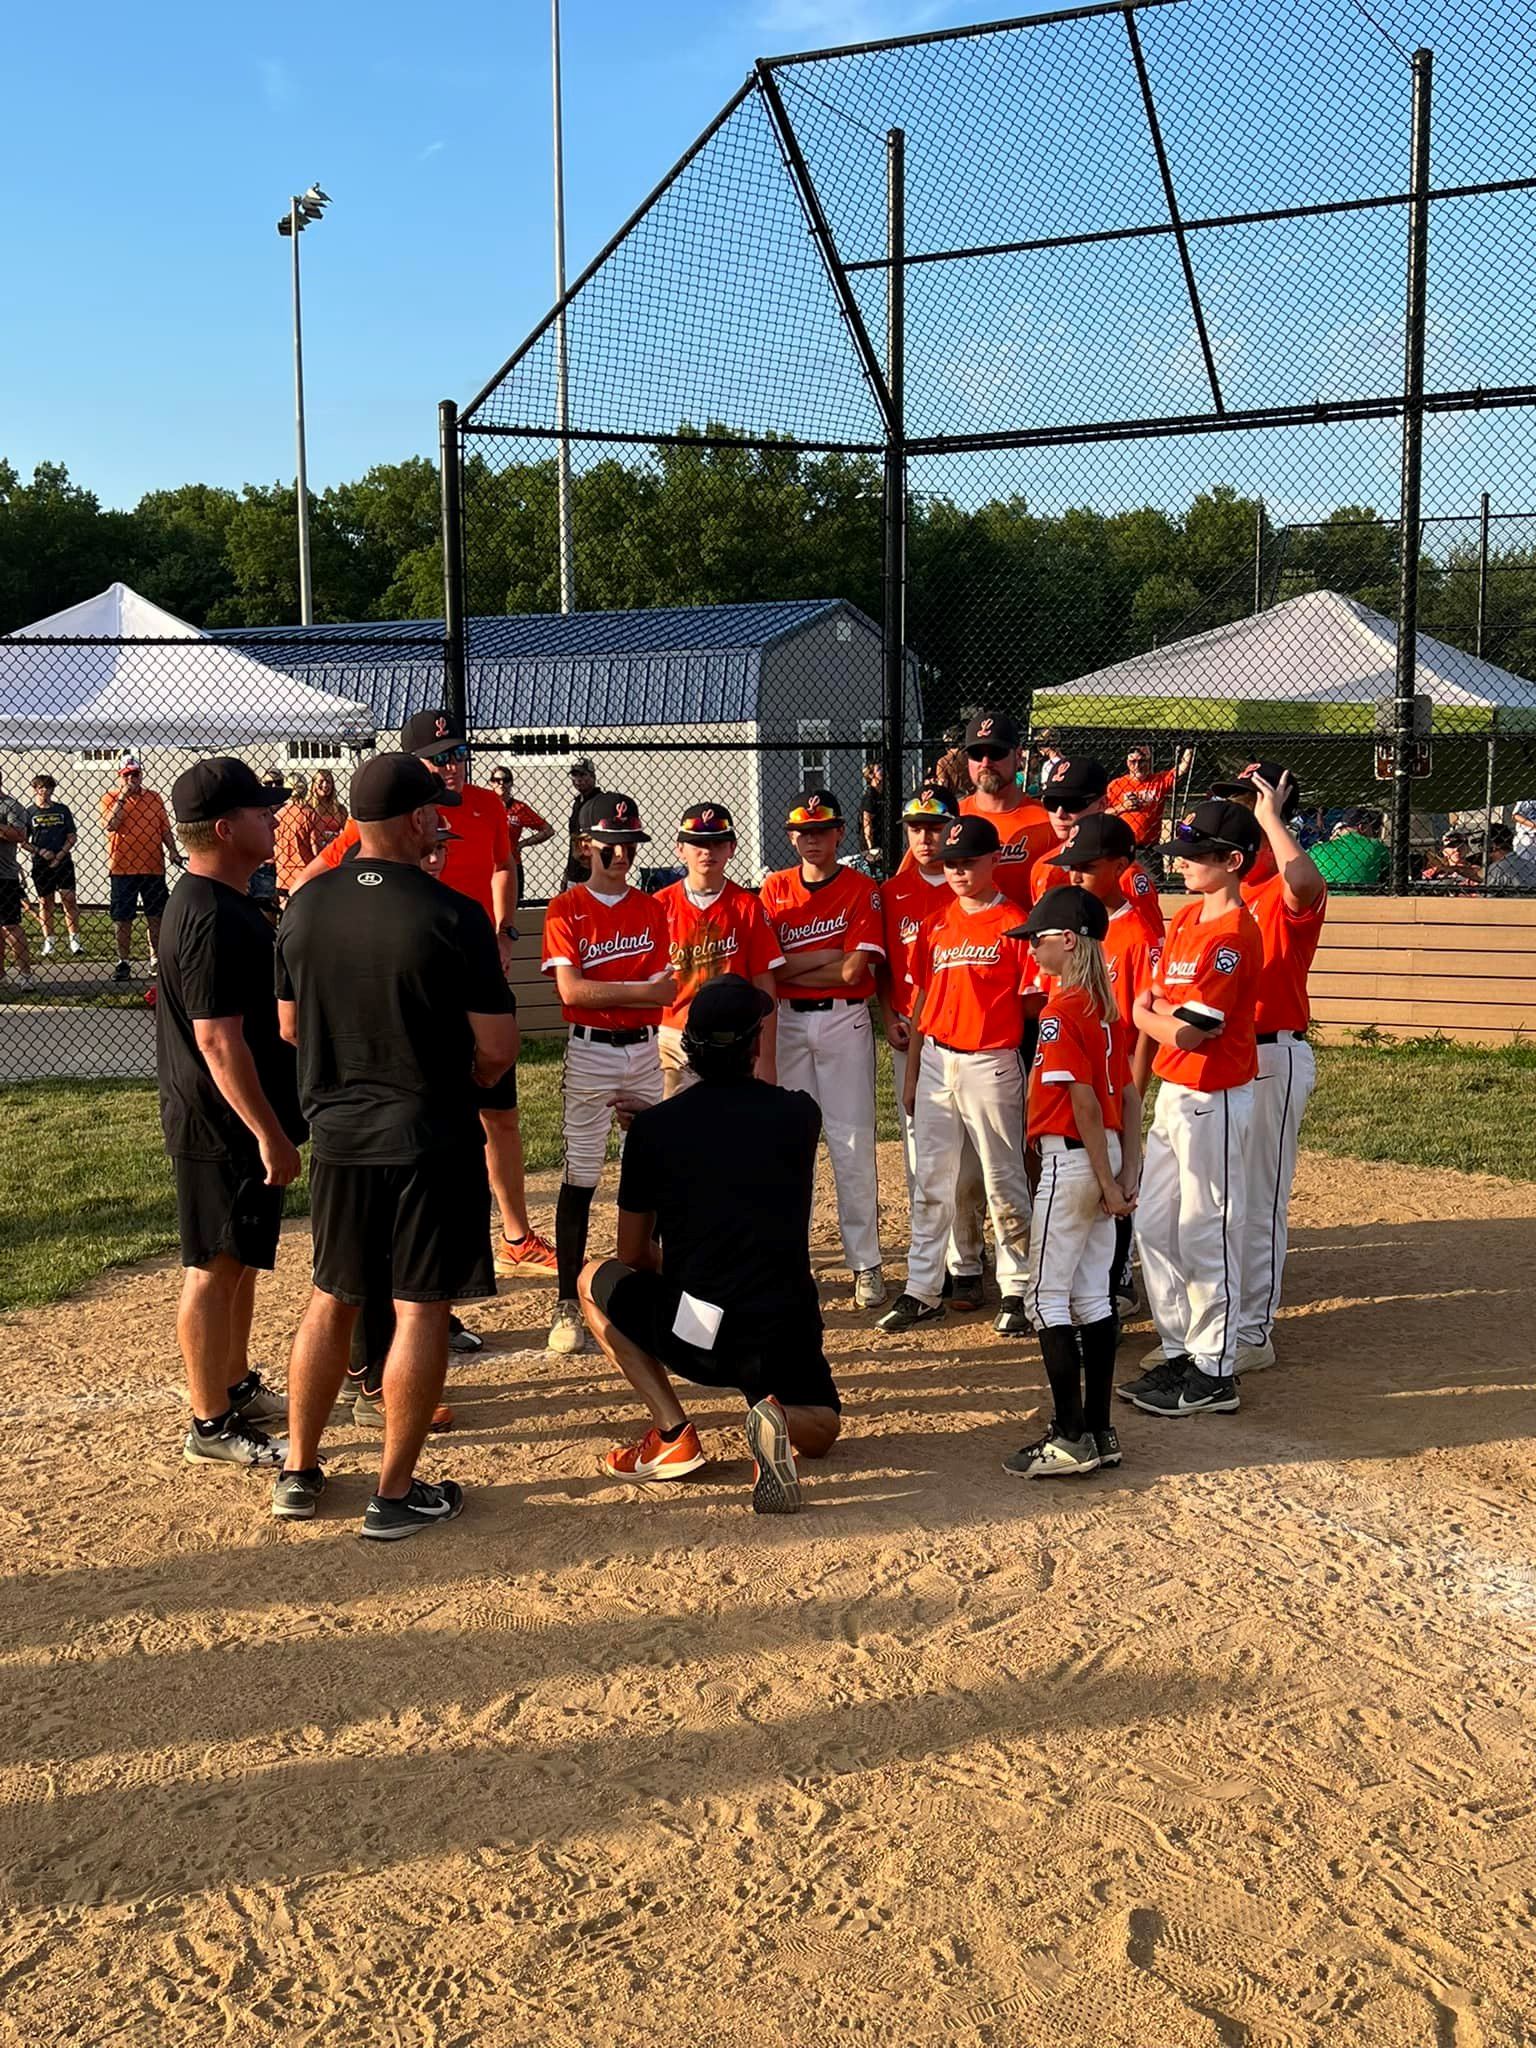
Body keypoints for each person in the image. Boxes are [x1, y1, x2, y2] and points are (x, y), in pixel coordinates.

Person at [273, 753, 519, 1538]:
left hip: (338, 1137)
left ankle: (299, 1472)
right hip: (427, 1133)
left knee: (332, 1297)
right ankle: (393, 1493)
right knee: (419, 1307)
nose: (443, 821)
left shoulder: (303, 908)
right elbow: (498, 1047)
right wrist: (455, 1072)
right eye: (434, 812)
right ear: (414, 821)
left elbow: (285, 1027)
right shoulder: (452, 914)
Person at [296, 710, 557, 1279]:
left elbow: (504, 866)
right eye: (439, 756)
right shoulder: (387, 817)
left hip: (473, 965)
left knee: (499, 1113)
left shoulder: (489, 805)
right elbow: (314, 875)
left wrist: (505, 930)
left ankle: (515, 1233)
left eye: (458, 753)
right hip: (416, 978)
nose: (453, 765)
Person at [578, 975, 841, 1515]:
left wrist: (648, 1133)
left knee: (590, 1278)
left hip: (700, 1327)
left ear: (689, 1050)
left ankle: (672, 1431)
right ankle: (778, 1418)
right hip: (784, 1320)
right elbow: (738, 1133)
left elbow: (631, 1255)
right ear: (754, 1046)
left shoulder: (655, 1131)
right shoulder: (799, 1114)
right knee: (824, 1427)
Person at [155, 758, 305, 1472]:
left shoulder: (229, 899)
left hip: (240, 1121)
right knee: (215, 1263)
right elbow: (218, 1039)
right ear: (223, 828)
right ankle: (208, 1421)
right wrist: (268, 1133)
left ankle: (235, 1384)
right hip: (222, 1125)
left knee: (241, 1256)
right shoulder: (208, 914)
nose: (272, 818)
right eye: (259, 810)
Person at [1118, 799, 1264, 1418]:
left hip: (1215, 1094)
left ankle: (1216, 1368)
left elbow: (1187, 1030)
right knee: (1154, 1225)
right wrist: (1153, 1013)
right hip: (1176, 1094)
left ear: (1232, 863)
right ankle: (1180, 1348)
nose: (1182, 864)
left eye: (1198, 855)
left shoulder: (1233, 935)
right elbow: (1153, 1006)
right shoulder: (1182, 923)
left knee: (1206, 1228)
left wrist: (1148, 1014)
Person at [878, 815, 1035, 1338]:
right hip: (937, 1063)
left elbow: (1034, 1009)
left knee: (1003, 1179)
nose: (960, 872)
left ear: (994, 861)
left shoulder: (1015, 922)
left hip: (991, 1061)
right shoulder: (937, 923)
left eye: (970, 861)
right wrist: (913, 1072)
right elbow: (922, 1000)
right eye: (952, 863)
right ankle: (922, 1290)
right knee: (933, 1181)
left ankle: (1019, 1287)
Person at [1002, 885, 1139, 1478]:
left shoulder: (1061, 1012)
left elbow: (1083, 1100)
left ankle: (1068, 1435)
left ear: (1067, 941)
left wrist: (1109, 1181)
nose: (1031, 947)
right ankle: (1100, 1431)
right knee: (1092, 1297)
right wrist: (1126, 1171)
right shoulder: (1106, 1012)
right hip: (1104, 1158)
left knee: (1044, 1299)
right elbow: (1130, 1096)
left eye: (1038, 938)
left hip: (1075, 1160)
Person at [541, 791, 674, 1354]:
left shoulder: (651, 909)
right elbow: (571, 991)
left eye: (630, 844)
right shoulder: (564, 908)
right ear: (585, 845)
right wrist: (636, 991)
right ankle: (567, 1301)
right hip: (591, 1052)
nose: (622, 854)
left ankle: (658, 1287)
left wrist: (615, 991)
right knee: (582, 1175)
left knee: (654, 1169)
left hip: (645, 1050)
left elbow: (667, 991)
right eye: (611, 843)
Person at [1211, 762, 1327, 1372]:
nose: (1235, 814)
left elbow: (1305, 882)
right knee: (1217, 1196)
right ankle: (1218, 1322)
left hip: (1272, 1054)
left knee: (1257, 1199)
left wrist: (1272, 821)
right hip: (1220, 1055)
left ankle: (1252, 1331)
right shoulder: (1223, 895)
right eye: (1231, 801)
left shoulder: (1279, 890)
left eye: (1247, 803)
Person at [760, 789, 888, 1310]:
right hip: (787, 1024)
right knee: (792, 1146)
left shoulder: (861, 888)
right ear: (791, 836)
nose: (812, 839)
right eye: (803, 831)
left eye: (822, 830)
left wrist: (797, 961)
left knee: (851, 1143)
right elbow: (769, 967)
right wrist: (828, 954)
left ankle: (866, 1264)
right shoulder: (773, 889)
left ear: (840, 833)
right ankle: (792, 1263)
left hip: (844, 1021)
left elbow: (856, 969)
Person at [877, 788, 987, 1310]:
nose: (926, 837)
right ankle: (935, 1267)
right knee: (923, 1158)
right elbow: (882, 967)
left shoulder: (967, 887)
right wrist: (886, 1016)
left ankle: (967, 1258)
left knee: (968, 1163)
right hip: (910, 1035)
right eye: (916, 827)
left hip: (964, 1037)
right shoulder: (892, 890)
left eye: (936, 827)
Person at [1050, 812, 1162, 1309]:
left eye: (1087, 866)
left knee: (1118, 1178)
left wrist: (1129, 1090)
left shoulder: (1135, 934)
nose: (1074, 876)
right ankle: (1089, 1280)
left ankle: (1119, 1281)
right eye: (1071, 866)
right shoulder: (1068, 930)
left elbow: (1144, 1027)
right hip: (1077, 1081)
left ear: (1121, 865)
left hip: (1117, 1082)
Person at [655, 802, 783, 1097]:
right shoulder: (659, 906)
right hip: (673, 1034)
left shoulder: (748, 905)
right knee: (672, 1124)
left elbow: (764, 982)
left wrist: (767, 1057)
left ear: (732, 848)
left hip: (735, 1036)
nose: (707, 852)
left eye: (717, 843)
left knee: (733, 1125)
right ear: (679, 848)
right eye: (697, 843)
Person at [1031, 757, 1165, 948]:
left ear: (1102, 804)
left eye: (1072, 803)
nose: (1060, 813)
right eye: (1051, 802)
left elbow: (1152, 948)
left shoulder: (1124, 873)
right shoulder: (1043, 867)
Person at [957, 710, 1056, 909]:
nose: (986, 762)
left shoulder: (1049, 821)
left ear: (1019, 756)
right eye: (977, 754)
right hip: (965, 937)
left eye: (996, 752)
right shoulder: (953, 818)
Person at [100, 752, 181, 980]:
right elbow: (110, 825)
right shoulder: (111, 798)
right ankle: (123, 961)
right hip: (122, 867)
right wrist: (123, 798)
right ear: (120, 776)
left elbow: (164, 828)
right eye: (127, 775)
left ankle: (155, 958)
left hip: (152, 866)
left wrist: (173, 851)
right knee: (123, 917)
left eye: (135, 774)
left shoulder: (154, 798)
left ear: (141, 774)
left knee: (156, 915)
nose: (131, 779)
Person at [25, 775, 81, 957]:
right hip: (41, 863)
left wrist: (60, 854)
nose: (45, 792)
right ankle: (49, 941)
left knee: (69, 898)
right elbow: (22, 841)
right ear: (35, 790)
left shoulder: (62, 810)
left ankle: (75, 940)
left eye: (48, 788)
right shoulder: (29, 813)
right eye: (41, 788)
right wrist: (40, 851)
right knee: (45, 901)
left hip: (63, 861)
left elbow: (72, 836)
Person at [488, 764, 554, 908]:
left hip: (512, 863)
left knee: (512, 906)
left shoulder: (519, 808)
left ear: (511, 783)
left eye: (506, 780)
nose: (501, 784)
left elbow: (548, 830)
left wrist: (523, 844)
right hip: (489, 864)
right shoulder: (484, 805)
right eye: (496, 780)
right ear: (491, 783)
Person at [1106, 744, 1195, 848]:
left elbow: (1182, 769)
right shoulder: (1116, 784)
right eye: (1133, 762)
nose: (1137, 766)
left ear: (1149, 762)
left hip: (1150, 846)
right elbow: (1105, 813)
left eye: (1141, 761)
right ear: (1127, 762)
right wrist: (1123, 807)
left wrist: (1189, 747)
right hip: (1124, 845)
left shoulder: (1158, 781)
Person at [0, 770, 36, 992]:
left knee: (11, 925)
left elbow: (20, 834)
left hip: (4, 876)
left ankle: (25, 975)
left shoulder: (11, 805)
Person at [1311, 807, 1390, 892]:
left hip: (1327, 901)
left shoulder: (1317, 849)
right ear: (1362, 827)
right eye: (1371, 828)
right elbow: (1391, 874)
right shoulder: (1376, 846)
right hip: (1365, 901)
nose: (1373, 832)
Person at [563, 758, 599, 884]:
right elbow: (574, 838)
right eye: (574, 775)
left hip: (592, 870)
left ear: (593, 777)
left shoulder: (599, 802)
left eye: (583, 774)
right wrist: (567, 872)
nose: (578, 779)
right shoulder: (577, 803)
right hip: (575, 870)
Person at [1484, 822, 1536, 891]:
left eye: (1482, 847)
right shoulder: (1530, 865)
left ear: (1493, 847)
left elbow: (1486, 899)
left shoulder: (1497, 868)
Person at [306, 769, 348, 852]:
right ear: (314, 784)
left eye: (328, 782)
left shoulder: (340, 809)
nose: (325, 785)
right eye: (321, 781)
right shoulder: (308, 809)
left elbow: (346, 833)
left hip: (336, 851)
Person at [859, 762, 887, 864]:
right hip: (872, 846)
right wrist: (871, 848)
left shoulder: (883, 794)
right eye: (879, 769)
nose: (883, 771)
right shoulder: (870, 796)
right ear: (871, 775)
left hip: (883, 842)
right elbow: (867, 823)